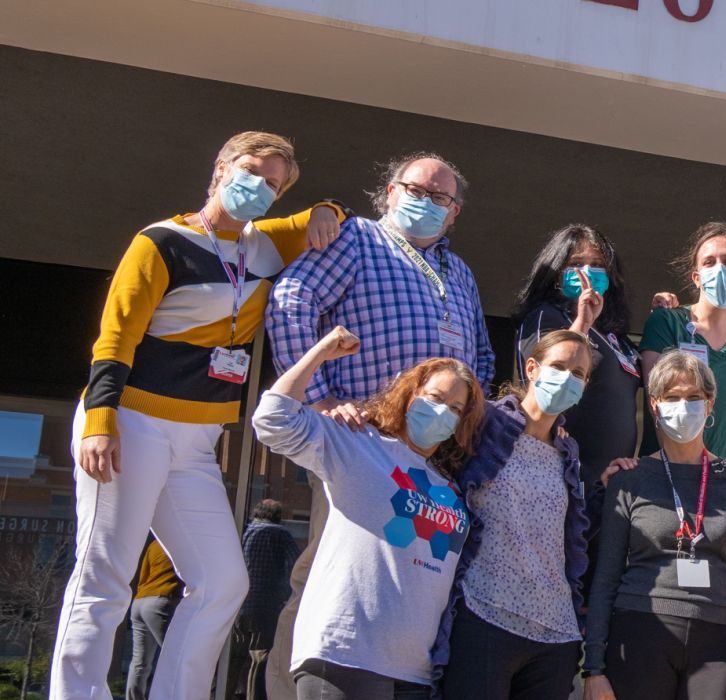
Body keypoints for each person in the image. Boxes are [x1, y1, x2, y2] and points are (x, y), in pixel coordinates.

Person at [58, 131, 344, 700]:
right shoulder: (163, 240)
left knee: (221, 583)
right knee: (105, 580)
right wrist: (99, 421)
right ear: (220, 169)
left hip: (197, 440)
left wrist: (327, 210)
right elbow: (115, 336)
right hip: (130, 423)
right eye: (251, 171)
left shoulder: (263, 245)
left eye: (274, 183)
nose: (260, 187)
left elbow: (329, 214)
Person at [264, 152, 494, 700]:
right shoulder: (357, 239)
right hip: (365, 443)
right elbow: (292, 301)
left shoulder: (458, 271)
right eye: (416, 189)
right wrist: (318, 400)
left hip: (433, 455)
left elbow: (481, 356)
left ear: (454, 212)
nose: (426, 202)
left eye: (440, 198)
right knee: (323, 572)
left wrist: (462, 429)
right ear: (391, 191)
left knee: (410, 573)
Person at [251, 326, 486, 699]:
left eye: (455, 409)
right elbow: (273, 420)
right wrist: (322, 352)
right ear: (411, 396)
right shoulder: (359, 444)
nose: (443, 411)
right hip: (346, 655)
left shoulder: (452, 487)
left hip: (416, 672)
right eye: (436, 397)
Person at [584, 350, 726, 700]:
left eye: (693, 397)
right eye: (672, 397)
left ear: (710, 404)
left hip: (717, 640)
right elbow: (606, 575)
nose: (683, 406)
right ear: (654, 405)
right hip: (641, 628)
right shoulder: (629, 478)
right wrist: (593, 667)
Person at [437, 330, 594, 698]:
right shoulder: (484, 424)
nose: (567, 378)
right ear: (531, 368)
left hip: (554, 634)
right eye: (558, 366)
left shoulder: (569, 453)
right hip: (484, 617)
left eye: (579, 374)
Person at [512, 224, 640, 489]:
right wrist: (581, 322)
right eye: (577, 263)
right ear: (557, 272)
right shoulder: (545, 316)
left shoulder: (614, 334)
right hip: (564, 472)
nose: (587, 271)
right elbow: (544, 381)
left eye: (597, 264)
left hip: (611, 480)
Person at [638, 222, 726, 470]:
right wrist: (675, 475)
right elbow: (654, 400)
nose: (720, 269)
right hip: (667, 479)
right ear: (697, 278)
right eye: (709, 262)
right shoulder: (668, 322)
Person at [234, 499, 299, 700]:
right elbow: (296, 566)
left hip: (237, 602)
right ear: (278, 516)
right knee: (259, 657)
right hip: (265, 605)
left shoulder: (242, 531)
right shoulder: (281, 535)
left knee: (233, 658)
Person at [127, 537, 181, 700]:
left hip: (140, 601)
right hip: (162, 599)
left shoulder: (155, 544)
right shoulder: (182, 542)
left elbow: (143, 574)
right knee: (177, 658)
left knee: (140, 663)